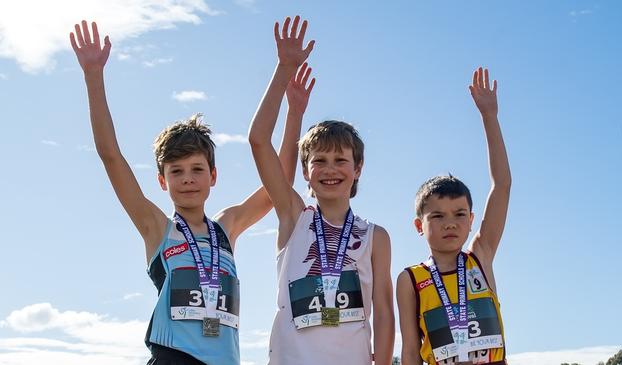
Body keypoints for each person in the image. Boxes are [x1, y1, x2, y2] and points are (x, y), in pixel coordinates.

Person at [69, 20, 306, 365]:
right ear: (163, 181)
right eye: (176, 172)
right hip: (173, 358)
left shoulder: (226, 227)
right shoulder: (157, 228)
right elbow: (111, 156)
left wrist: (290, 94)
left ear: (213, 176)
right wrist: (93, 76)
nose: (188, 179)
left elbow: (277, 185)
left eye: (197, 170)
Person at [248, 15, 395, 365]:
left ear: (357, 169)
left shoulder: (376, 236)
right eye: (320, 161)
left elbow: (385, 310)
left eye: (341, 160)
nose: (330, 169)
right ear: (305, 172)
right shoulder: (292, 215)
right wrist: (284, 69)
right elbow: (257, 140)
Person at [396, 67, 511, 365]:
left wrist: (489, 118)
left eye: (459, 214)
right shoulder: (411, 279)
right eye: (437, 216)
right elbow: (410, 350)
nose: (450, 222)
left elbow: (502, 185)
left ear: (471, 220)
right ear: (419, 225)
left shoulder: (480, 257)